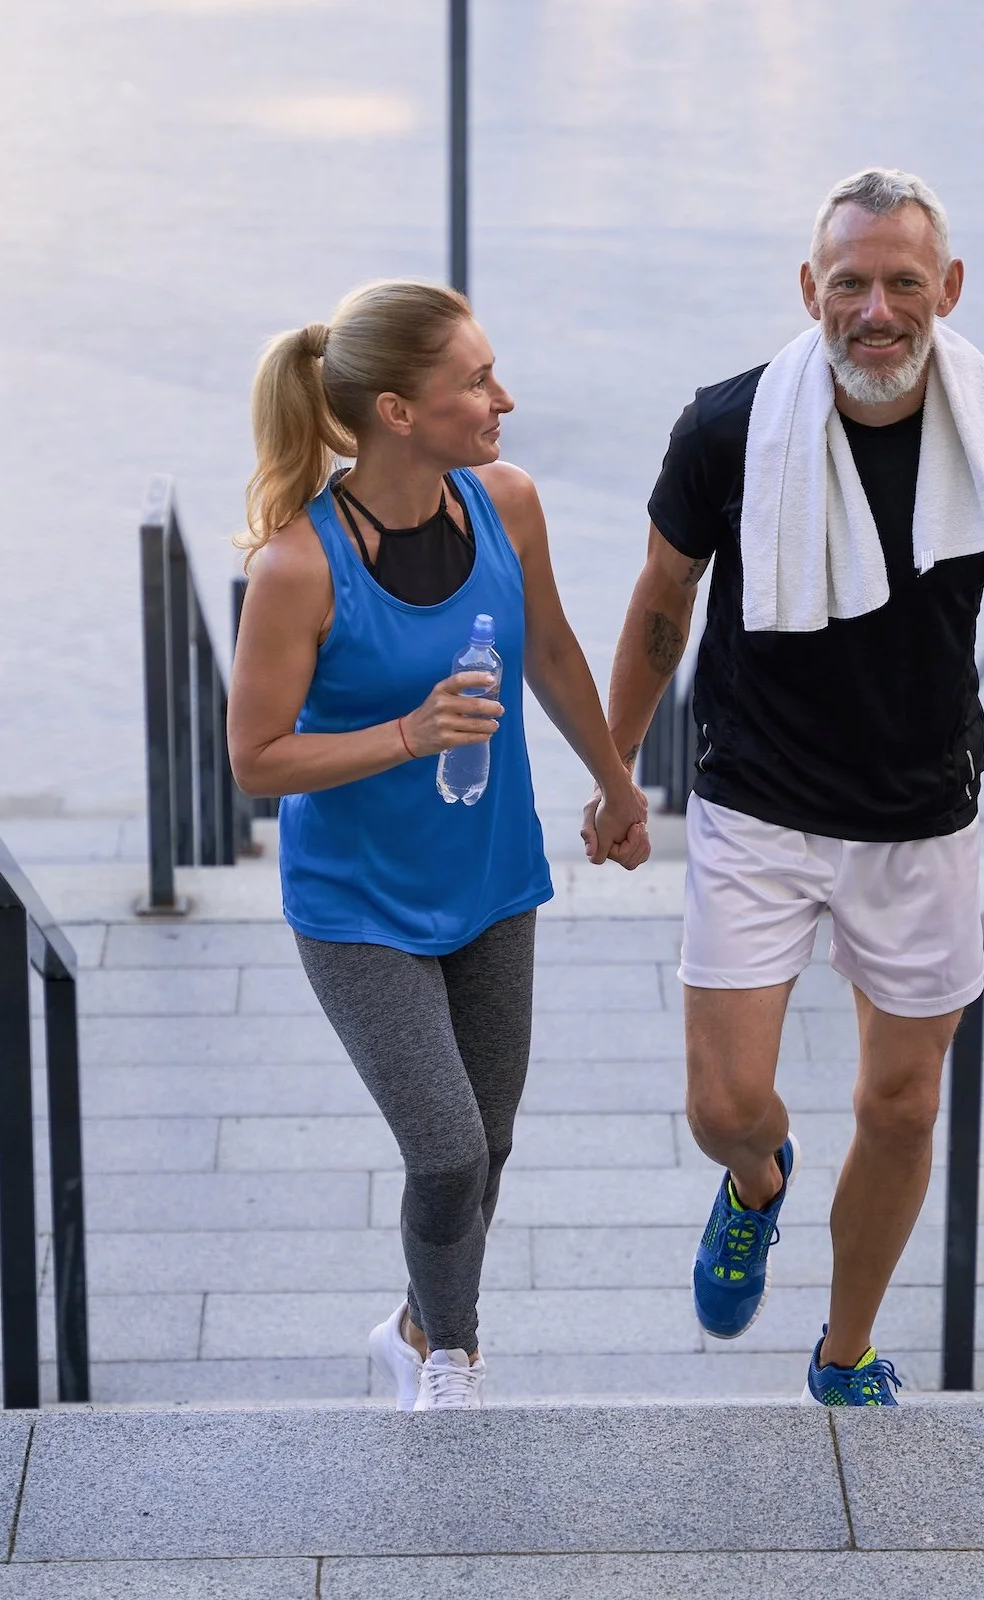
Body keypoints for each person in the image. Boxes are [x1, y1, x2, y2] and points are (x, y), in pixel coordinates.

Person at [598, 169, 984, 1406]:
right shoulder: (726, 428)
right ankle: (757, 1185)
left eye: (903, 284)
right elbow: (663, 603)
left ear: (951, 290)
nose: (876, 310)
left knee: (901, 1103)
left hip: (919, 816)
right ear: (809, 290)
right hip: (755, 794)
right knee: (723, 1102)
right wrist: (617, 773)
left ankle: (845, 1350)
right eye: (850, 284)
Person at [228, 279, 650, 1411]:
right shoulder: (299, 568)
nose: (502, 397)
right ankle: (450, 1357)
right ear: (398, 414)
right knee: (449, 1147)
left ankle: (416, 1320)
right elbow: (257, 758)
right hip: (358, 907)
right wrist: (408, 734)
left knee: (489, 1141)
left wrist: (616, 784)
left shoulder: (505, 504)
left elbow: (553, 649)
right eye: (475, 380)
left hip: (491, 876)